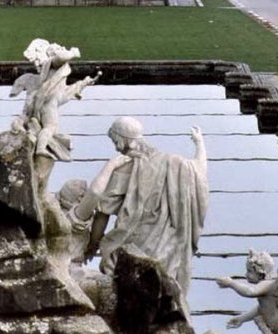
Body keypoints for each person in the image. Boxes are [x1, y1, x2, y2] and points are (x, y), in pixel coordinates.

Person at [69, 117, 208, 297]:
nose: (116, 148)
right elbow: (200, 172)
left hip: (133, 246)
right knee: (163, 294)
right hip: (169, 247)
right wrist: (199, 144)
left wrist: (93, 245)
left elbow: (103, 213)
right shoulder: (177, 164)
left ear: (122, 139)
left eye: (115, 142)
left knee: (127, 292)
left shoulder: (123, 168)